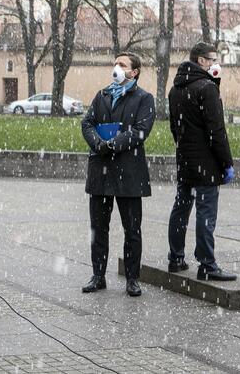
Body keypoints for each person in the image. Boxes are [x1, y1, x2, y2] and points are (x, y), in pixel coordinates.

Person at [81, 52, 155, 297]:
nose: (116, 67)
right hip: (100, 171)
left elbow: (141, 130)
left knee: (132, 229)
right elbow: (87, 123)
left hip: (129, 173)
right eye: (115, 63)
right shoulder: (101, 95)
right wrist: (98, 143)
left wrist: (113, 144)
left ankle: (132, 279)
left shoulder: (144, 98)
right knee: (99, 228)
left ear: (134, 72)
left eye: (122, 64)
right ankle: (98, 275)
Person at [166, 42, 237, 281]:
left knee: (181, 207)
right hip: (206, 163)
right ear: (201, 61)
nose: (217, 63)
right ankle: (207, 264)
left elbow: (175, 128)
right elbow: (216, 130)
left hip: (185, 160)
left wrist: (185, 149)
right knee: (206, 212)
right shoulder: (206, 88)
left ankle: (175, 258)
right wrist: (226, 163)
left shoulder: (176, 88)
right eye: (213, 59)